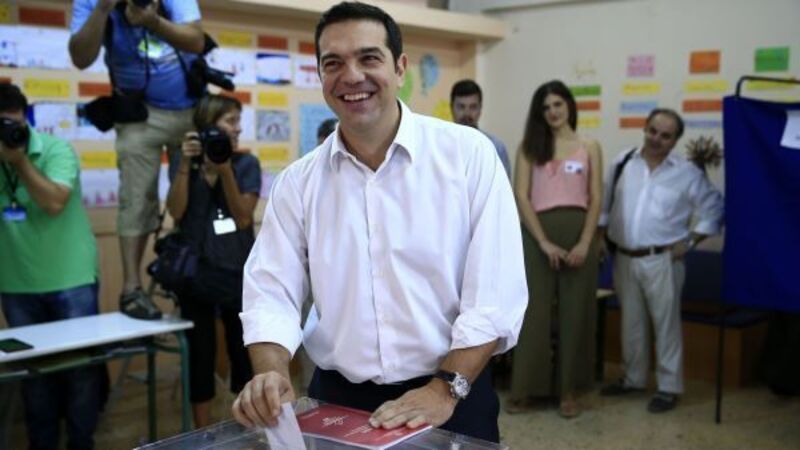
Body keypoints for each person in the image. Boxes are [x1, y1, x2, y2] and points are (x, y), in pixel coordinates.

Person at [231, 2, 527, 443]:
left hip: (452, 392)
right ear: (320, 74)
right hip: (338, 399)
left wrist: (446, 388)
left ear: (400, 67)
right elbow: (271, 292)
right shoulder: (298, 182)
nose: (351, 76)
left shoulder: (468, 155)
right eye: (333, 63)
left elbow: (494, 295)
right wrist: (271, 373)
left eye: (369, 58)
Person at [69, 0, 206, 320]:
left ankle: (191, 272)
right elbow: (80, 58)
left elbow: (196, 40)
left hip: (190, 109)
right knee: (136, 198)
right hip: (137, 112)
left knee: (194, 196)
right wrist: (102, 9)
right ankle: (131, 289)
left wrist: (152, 21)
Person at [598, 108, 723, 413]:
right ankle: (633, 379)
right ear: (645, 128)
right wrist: (601, 236)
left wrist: (689, 241)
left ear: (675, 140)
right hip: (624, 257)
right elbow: (605, 203)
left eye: (665, 136)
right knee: (631, 323)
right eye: (653, 131)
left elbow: (715, 209)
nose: (656, 139)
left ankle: (668, 387)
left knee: (666, 326)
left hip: (663, 260)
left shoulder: (687, 172)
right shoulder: (623, 162)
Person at [0, 83, 103, 450]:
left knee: (80, 374)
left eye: (11, 124)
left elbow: (54, 202)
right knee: (35, 378)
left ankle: (80, 444)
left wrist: (19, 161)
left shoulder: (56, 149)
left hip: (71, 279)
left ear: (24, 119)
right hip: (16, 284)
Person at [507, 80, 603, 418]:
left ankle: (569, 390)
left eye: (558, 104)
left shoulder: (589, 146)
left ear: (569, 105)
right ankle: (526, 388)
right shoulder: (528, 147)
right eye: (546, 107)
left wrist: (585, 242)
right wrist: (543, 242)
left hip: (579, 233)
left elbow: (596, 198)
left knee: (576, 314)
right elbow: (521, 196)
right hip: (537, 236)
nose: (552, 112)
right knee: (533, 313)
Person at [166, 94, 261, 428]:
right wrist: (184, 165)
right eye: (230, 121)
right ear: (208, 126)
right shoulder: (185, 161)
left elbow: (244, 217)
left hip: (237, 274)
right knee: (200, 356)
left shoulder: (245, 164)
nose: (238, 128)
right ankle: (203, 435)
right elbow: (175, 212)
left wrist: (225, 171)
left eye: (238, 121)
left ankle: (246, 430)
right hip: (195, 276)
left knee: (243, 355)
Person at [450, 79, 511, 179]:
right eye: (461, 107)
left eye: (473, 107)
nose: (467, 113)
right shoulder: (439, 146)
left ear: (480, 109)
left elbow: (503, 187)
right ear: (451, 107)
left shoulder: (495, 147)